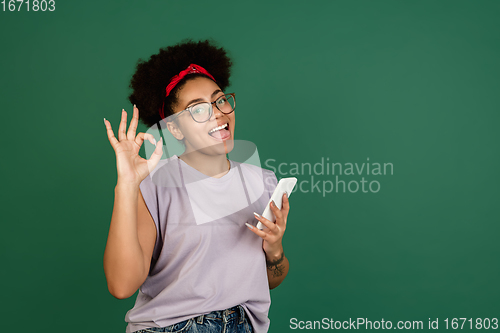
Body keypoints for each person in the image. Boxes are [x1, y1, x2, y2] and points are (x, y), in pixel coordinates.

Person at [103, 38, 291, 333]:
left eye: (219, 100)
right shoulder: (155, 185)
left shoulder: (263, 182)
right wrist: (126, 185)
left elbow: (270, 279)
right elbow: (121, 285)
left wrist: (275, 249)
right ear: (175, 128)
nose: (218, 112)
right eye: (198, 109)